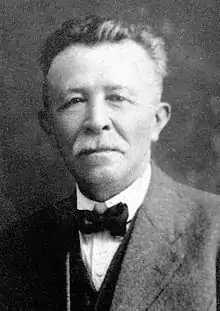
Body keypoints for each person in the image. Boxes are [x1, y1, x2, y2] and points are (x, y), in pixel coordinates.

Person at [1, 15, 220, 311]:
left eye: (117, 97)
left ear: (157, 121)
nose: (97, 121)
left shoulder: (214, 233)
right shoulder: (13, 249)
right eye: (74, 101)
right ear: (49, 127)